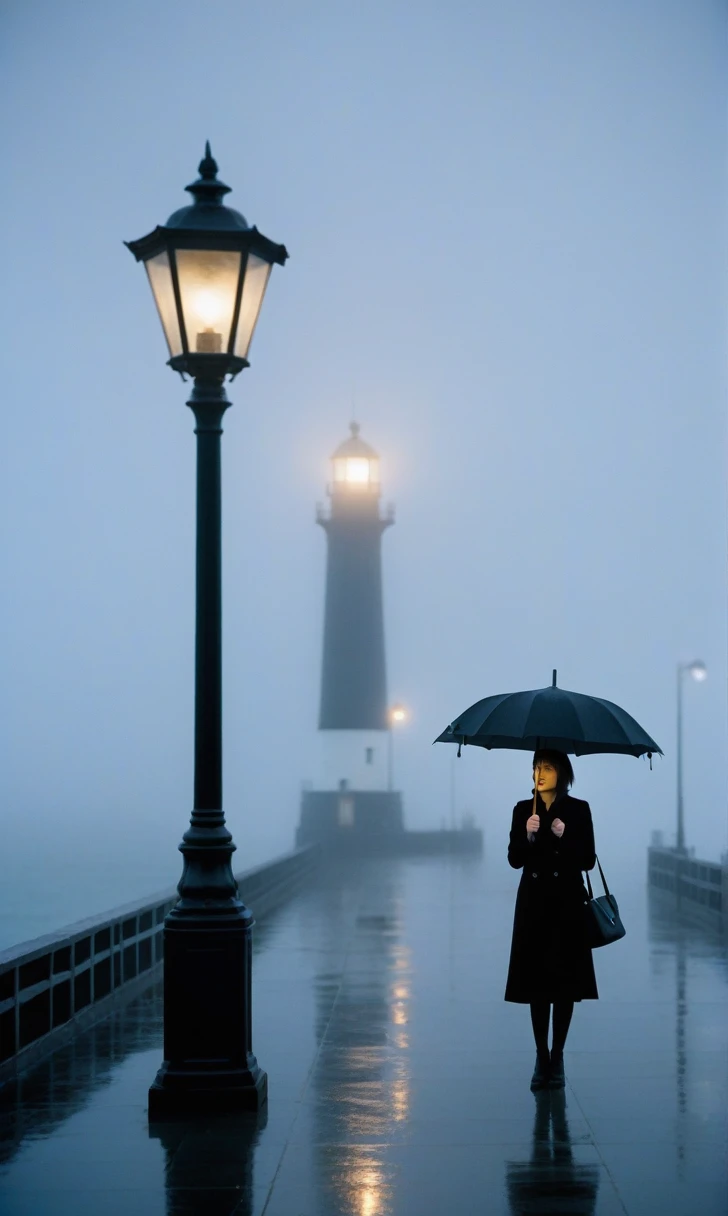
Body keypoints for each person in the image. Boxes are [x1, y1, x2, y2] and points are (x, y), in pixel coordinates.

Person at [504, 748, 598, 1089]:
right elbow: (515, 860)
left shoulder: (578, 810)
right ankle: (540, 1055)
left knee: (565, 986)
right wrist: (528, 836)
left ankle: (557, 1055)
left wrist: (564, 835)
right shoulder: (521, 810)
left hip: (567, 907)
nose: (539, 773)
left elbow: (587, 859)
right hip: (533, 906)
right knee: (537, 986)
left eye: (547, 767)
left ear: (562, 772)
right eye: (535, 767)